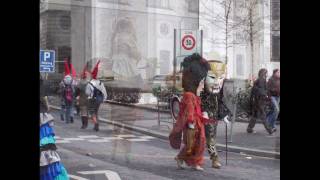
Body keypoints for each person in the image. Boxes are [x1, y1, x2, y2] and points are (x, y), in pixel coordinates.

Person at [169, 53, 216, 171]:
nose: (202, 84)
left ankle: (194, 162)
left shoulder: (193, 94)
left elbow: (196, 106)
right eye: (201, 82)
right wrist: (191, 122)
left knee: (199, 142)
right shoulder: (189, 95)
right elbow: (189, 110)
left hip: (197, 121)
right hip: (193, 123)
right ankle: (183, 158)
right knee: (194, 142)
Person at [200, 63, 230, 169]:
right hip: (205, 116)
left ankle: (185, 156)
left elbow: (220, 101)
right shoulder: (201, 89)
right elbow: (199, 99)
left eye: (221, 78)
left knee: (208, 138)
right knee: (209, 137)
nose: (217, 82)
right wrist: (203, 111)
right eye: (212, 77)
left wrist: (223, 115)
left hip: (214, 116)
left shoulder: (217, 91)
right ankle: (214, 159)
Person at [40, 75, 69, 180]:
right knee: (45, 149)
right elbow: (45, 101)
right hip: (41, 118)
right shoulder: (42, 86)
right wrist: (47, 106)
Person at [247, 68, 272, 134]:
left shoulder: (258, 80)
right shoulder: (261, 80)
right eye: (266, 73)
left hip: (256, 101)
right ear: (263, 73)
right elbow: (261, 91)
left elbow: (255, 90)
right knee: (263, 116)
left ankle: (249, 128)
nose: (267, 74)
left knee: (255, 115)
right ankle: (269, 130)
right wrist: (265, 95)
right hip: (260, 101)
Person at [86, 60, 107, 131]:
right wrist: (104, 99)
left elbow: (87, 93)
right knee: (96, 111)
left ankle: (96, 123)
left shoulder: (89, 83)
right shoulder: (101, 83)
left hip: (92, 99)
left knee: (92, 112)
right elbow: (104, 92)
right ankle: (96, 124)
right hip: (99, 100)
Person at [59, 60, 76, 124]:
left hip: (64, 96)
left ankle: (63, 117)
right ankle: (71, 116)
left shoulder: (63, 80)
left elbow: (60, 87)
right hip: (71, 96)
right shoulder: (72, 80)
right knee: (71, 107)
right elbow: (75, 87)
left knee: (63, 106)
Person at [77, 63, 91, 129]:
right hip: (89, 99)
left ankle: (84, 125)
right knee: (87, 112)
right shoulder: (90, 83)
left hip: (82, 99)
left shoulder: (80, 83)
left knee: (83, 112)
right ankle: (86, 124)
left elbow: (77, 91)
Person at [266, 69, 280, 133]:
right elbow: (268, 89)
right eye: (278, 72)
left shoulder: (279, 79)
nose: (279, 73)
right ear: (274, 73)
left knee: (273, 110)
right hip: (272, 97)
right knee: (277, 110)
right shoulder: (271, 79)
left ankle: (267, 121)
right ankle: (272, 125)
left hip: (278, 97)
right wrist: (269, 97)